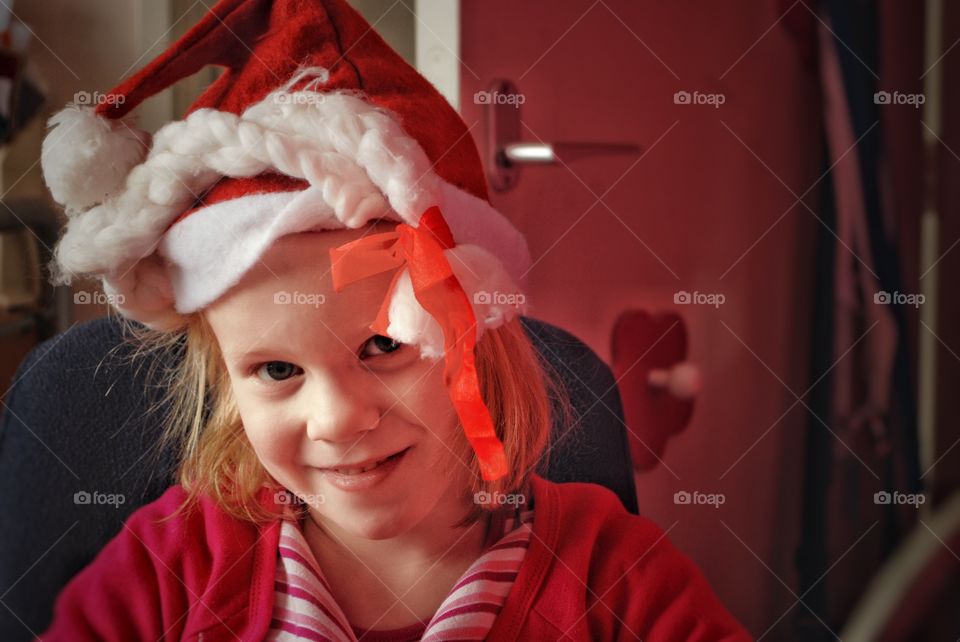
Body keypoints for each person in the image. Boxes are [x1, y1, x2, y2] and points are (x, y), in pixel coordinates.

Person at [35, 0, 752, 639]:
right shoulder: (170, 571)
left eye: (384, 345)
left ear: (478, 341)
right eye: (277, 369)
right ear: (226, 386)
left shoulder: (612, 578)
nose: (339, 419)